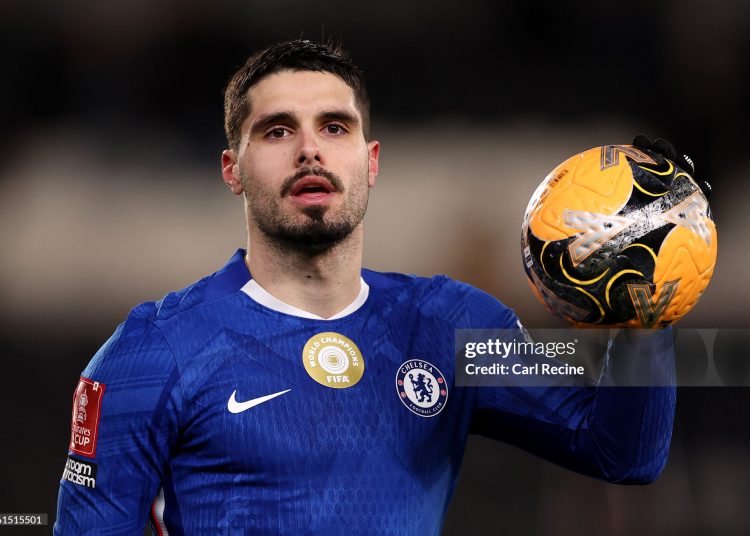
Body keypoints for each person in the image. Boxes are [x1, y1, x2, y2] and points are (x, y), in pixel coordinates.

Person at [54, 39, 675, 535]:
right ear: (232, 170)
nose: (309, 151)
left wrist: (651, 303)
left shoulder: (451, 326)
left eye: (333, 127)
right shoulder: (152, 352)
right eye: (276, 131)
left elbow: (621, 454)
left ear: (370, 161)